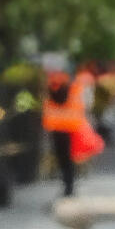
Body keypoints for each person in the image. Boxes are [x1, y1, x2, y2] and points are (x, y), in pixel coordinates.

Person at [41, 68, 91, 197]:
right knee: (70, 158)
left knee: (62, 158)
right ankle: (69, 185)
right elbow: (84, 105)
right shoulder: (74, 89)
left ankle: (67, 184)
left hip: (56, 127)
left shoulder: (50, 89)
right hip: (71, 127)